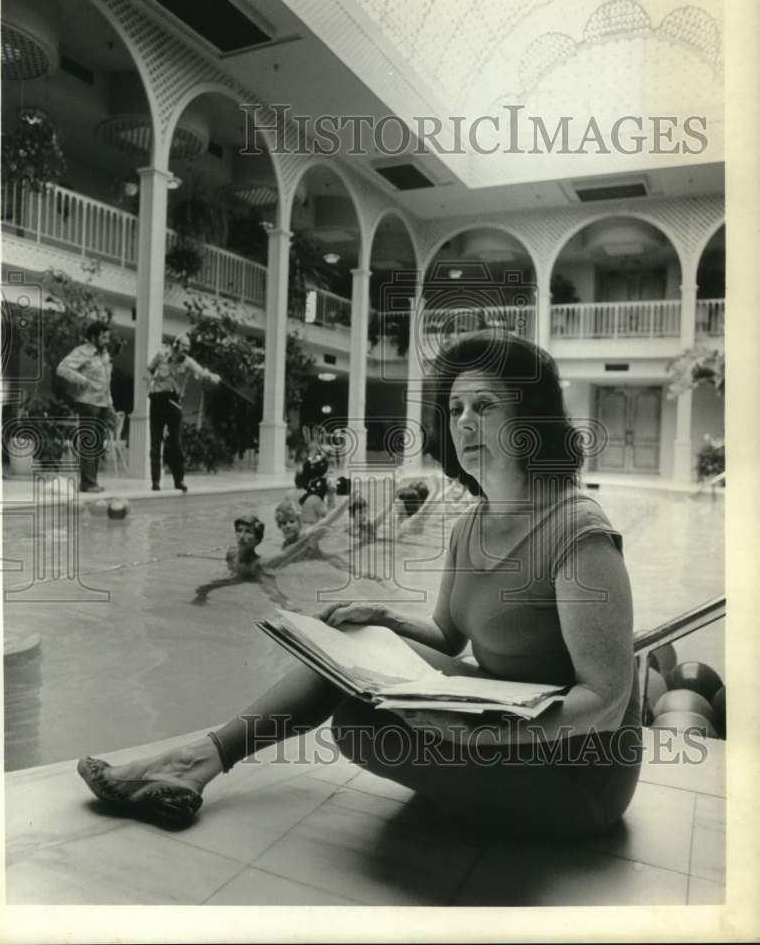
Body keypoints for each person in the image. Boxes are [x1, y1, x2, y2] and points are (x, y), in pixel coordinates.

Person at [78, 330, 641, 840]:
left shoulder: (577, 531)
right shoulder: (473, 522)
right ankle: (197, 762)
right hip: (505, 719)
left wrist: (477, 738)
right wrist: (387, 620)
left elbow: (607, 702)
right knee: (347, 651)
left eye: (486, 406)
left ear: (531, 421)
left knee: (361, 727)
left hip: (575, 773)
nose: (465, 421)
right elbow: (447, 635)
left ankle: (191, 764)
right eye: (456, 408)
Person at [147, 333, 220, 492]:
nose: (185, 352)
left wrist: (212, 376)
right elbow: (149, 370)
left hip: (174, 404)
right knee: (155, 443)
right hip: (158, 401)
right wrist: (148, 387)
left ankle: (178, 480)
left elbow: (201, 372)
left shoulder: (188, 362)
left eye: (187, 349)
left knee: (175, 444)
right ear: (175, 345)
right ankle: (155, 483)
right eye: (183, 348)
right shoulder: (161, 355)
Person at [56, 320, 117, 493]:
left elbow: (107, 383)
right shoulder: (82, 351)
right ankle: (87, 483)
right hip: (87, 402)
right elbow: (62, 368)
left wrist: (111, 405)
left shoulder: (104, 356)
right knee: (89, 443)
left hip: (103, 403)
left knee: (98, 444)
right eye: (103, 337)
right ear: (93, 336)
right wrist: (83, 380)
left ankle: (92, 482)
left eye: (107, 337)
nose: (107, 340)